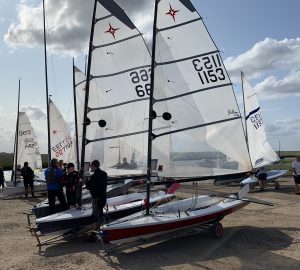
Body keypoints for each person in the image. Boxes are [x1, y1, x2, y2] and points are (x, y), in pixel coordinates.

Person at [85, 159, 107, 231]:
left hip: (97, 199)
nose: (90, 168)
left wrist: (86, 180)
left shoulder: (95, 175)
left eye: (91, 166)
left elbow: (88, 187)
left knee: (95, 216)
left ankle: (95, 234)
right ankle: (102, 230)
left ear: (94, 166)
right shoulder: (104, 173)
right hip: (103, 197)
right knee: (100, 214)